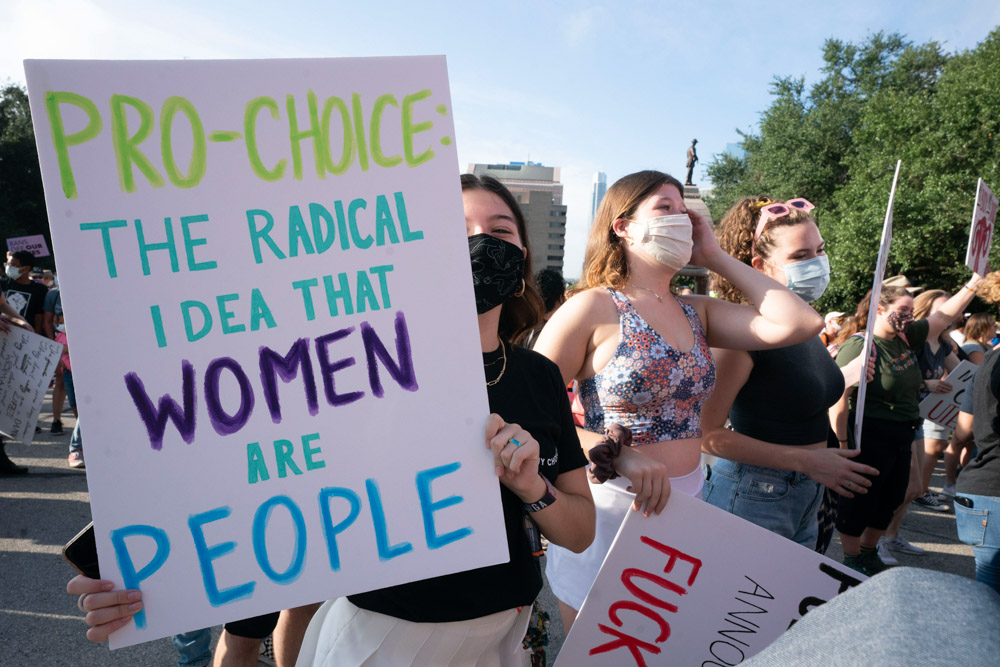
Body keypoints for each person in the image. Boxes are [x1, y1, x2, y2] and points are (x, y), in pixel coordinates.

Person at [67, 174, 596, 666]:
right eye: (454, 230)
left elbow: (579, 531)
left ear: (523, 253)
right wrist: (148, 583)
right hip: (383, 631)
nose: (481, 243)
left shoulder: (539, 375)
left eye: (499, 230)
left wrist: (533, 488)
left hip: (506, 633)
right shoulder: (361, 360)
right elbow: (249, 475)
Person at [534, 171, 824, 631]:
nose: (680, 219)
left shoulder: (699, 311)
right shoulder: (591, 307)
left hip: (689, 508)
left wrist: (715, 256)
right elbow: (530, 413)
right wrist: (617, 455)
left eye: (685, 211)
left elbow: (800, 322)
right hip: (607, 507)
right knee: (597, 655)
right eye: (664, 208)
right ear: (623, 226)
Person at [699, 196, 878, 550]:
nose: (817, 263)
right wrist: (807, 461)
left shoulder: (803, 327)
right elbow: (705, 434)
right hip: (754, 494)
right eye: (800, 256)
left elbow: (789, 391)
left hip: (806, 493)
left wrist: (846, 375)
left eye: (820, 250)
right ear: (760, 267)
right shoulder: (744, 334)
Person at [830, 271, 982, 576]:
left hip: (903, 431)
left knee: (892, 496)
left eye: (911, 313)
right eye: (902, 312)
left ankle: (869, 551)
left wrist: (975, 282)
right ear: (879, 310)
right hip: (869, 434)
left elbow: (941, 317)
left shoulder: (905, 338)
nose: (908, 318)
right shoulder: (861, 345)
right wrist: (843, 445)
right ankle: (850, 557)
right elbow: (838, 397)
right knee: (861, 499)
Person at [878, 291, 959, 565]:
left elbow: (963, 376)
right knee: (903, 485)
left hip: (921, 418)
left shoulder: (944, 344)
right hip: (901, 418)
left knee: (915, 487)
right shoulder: (911, 340)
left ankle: (890, 536)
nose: (949, 314)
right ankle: (876, 539)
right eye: (943, 310)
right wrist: (927, 385)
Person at [3, 250, 48, 334]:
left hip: (25, 338)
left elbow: (39, 317)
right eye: (7, 264)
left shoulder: (40, 289)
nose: (9, 268)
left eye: (13, 265)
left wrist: (35, 337)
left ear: (26, 268)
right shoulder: (3, 284)